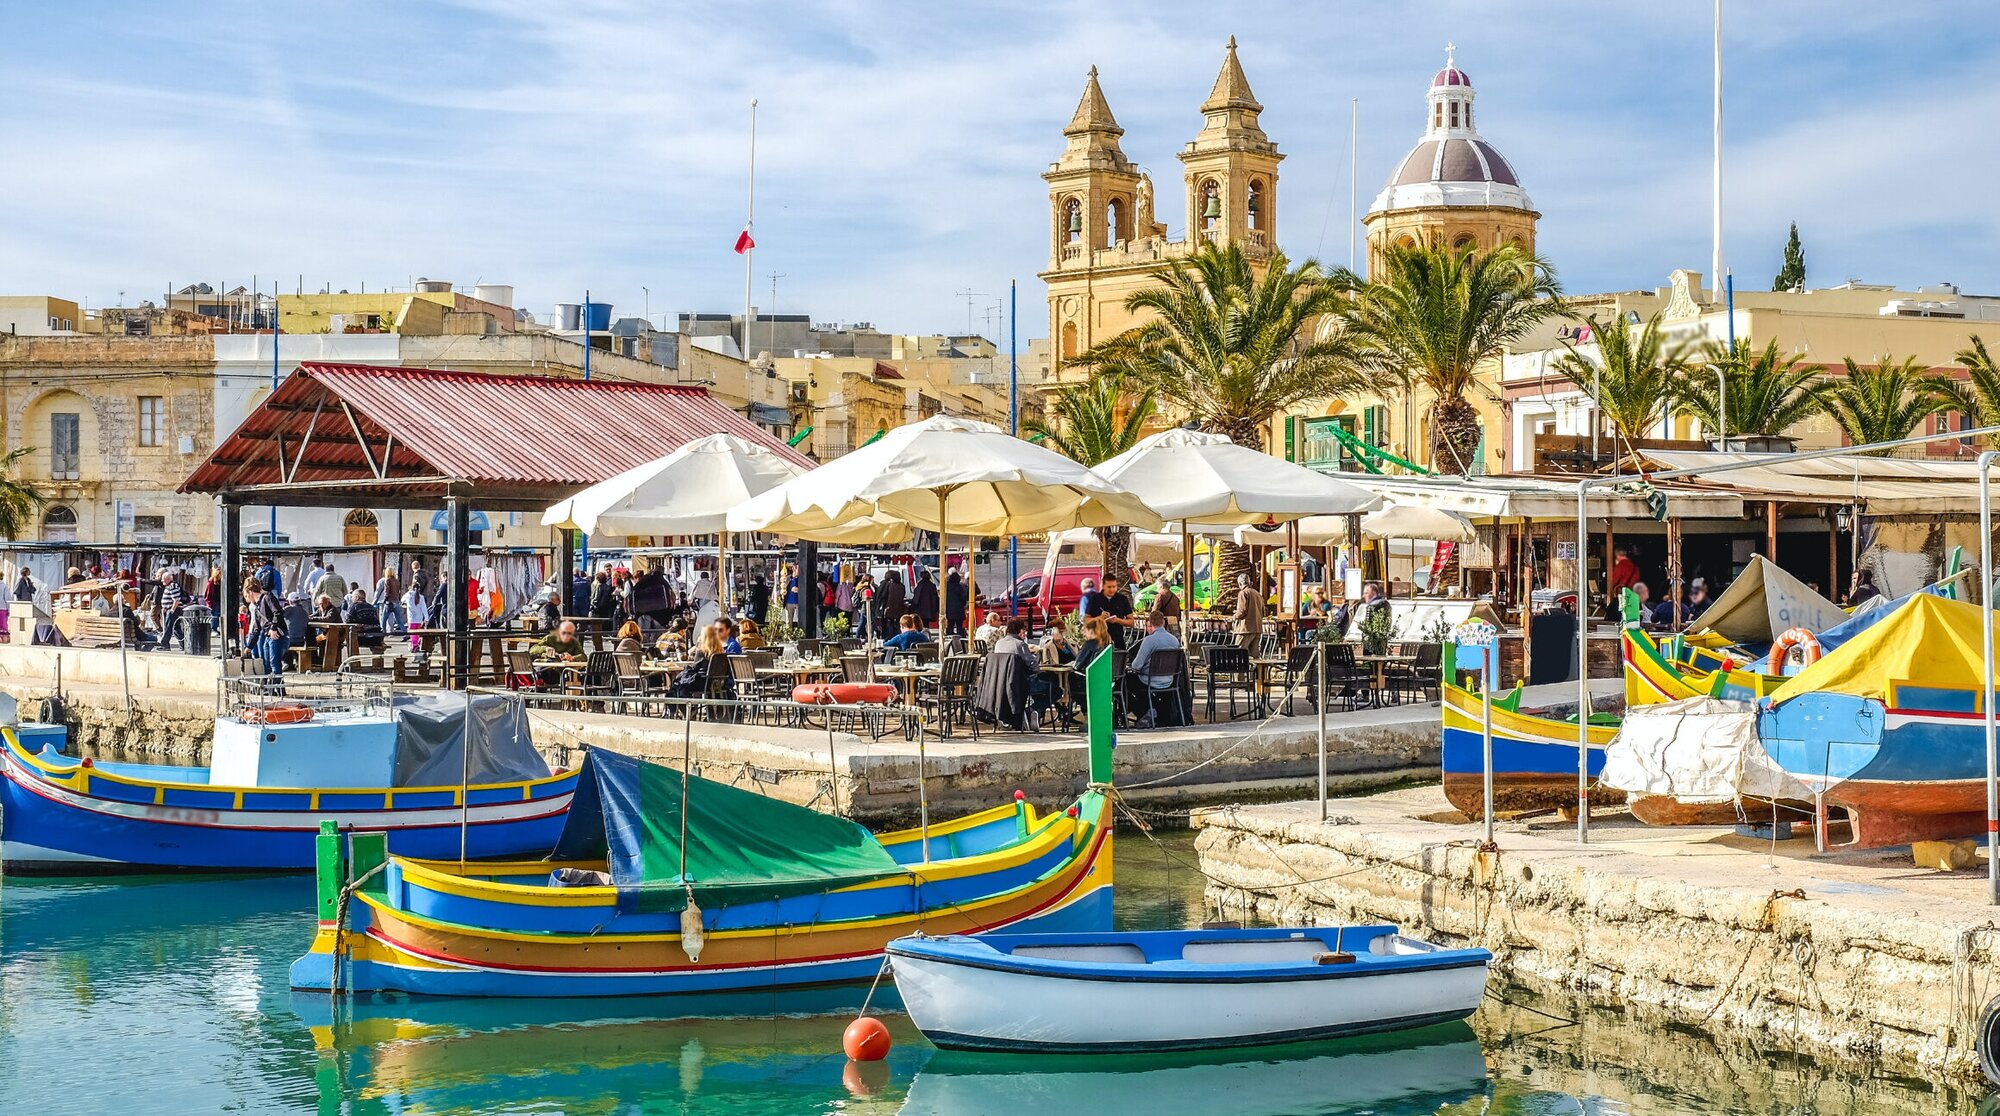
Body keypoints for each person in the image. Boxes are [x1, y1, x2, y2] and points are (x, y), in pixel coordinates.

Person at [1125, 614, 1185, 727]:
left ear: (1150, 625)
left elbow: (1136, 666)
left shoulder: (1149, 640)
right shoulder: (1174, 640)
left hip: (1149, 680)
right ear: (1163, 623)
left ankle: (1143, 711)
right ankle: (1152, 710)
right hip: (1169, 680)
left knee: (1124, 683)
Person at [245, 577, 288, 678]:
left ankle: (277, 685)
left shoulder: (267, 597)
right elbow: (256, 629)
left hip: (276, 634)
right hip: (269, 635)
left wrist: (273, 628)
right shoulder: (258, 607)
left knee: (274, 663)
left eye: (247, 595)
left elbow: (278, 612)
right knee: (267, 663)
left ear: (250, 592)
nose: (247, 599)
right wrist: (249, 647)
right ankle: (271, 685)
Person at [670, 626, 727, 699]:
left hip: (703, 682)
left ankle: (678, 704)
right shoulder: (721, 653)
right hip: (718, 683)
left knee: (679, 684)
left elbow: (695, 668)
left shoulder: (702, 652)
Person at [1084, 574, 1137, 649]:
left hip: (1117, 640)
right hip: (1098, 641)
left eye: (1114, 587)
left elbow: (1131, 622)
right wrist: (1100, 618)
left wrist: (1117, 620)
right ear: (1103, 586)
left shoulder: (1122, 599)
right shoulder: (1094, 599)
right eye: (1109, 587)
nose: (1112, 590)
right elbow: (1086, 621)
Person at [1230, 572, 1264, 652]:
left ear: (1240, 584)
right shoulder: (1257, 594)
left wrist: (1234, 616)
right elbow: (1263, 611)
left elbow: (1242, 611)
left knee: (1238, 652)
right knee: (1255, 655)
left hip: (1246, 628)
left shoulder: (1243, 593)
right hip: (1257, 628)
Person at [1607, 545, 1641, 617]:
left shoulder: (1620, 566)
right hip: (1633, 596)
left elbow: (1613, 581)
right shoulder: (1635, 567)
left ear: (1617, 555)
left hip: (1622, 596)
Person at [873, 569, 906, 640]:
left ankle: (888, 638)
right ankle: (897, 638)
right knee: (897, 625)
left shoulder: (888, 585)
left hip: (888, 609)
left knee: (888, 625)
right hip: (899, 609)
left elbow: (881, 597)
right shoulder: (901, 586)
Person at [157, 570, 186, 650]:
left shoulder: (173, 586)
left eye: (163, 579)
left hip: (173, 610)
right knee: (176, 628)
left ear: (168, 579)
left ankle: (165, 644)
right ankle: (184, 644)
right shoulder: (169, 586)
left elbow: (176, 599)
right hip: (169, 609)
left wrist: (172, 610)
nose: (162, 580)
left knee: (168, 627)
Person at [375, 568, 404, 633]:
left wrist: (385, 600)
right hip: (396, 601)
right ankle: (404, 631)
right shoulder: (396, 581)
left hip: (389, 602)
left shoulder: (386, 580)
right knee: (398, 619)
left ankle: (383, 632)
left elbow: (386, 592)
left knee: (383, 619)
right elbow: (398, 591)